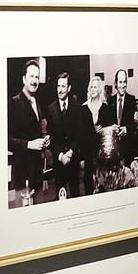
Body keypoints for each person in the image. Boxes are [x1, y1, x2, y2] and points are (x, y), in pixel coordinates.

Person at [7, 59, 49, 204]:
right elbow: (7, 141)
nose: (34, 80)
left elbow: (36, 132)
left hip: (36, 173)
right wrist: (29, 144)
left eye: (37, 77)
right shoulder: (14, 103)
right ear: (24, 78)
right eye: (31, 76)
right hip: (22, 173)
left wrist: (44, 139)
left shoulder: (37, 102)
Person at [46, 69, 91, 200]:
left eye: (63, 86)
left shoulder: (76, 106)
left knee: (76, 196)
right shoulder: (51, 109)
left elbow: (79, 133)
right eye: (58, 86)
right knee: (61, 197)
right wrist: (61, 156)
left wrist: (71, 151)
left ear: (69, 88)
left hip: (73, 160)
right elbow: (52, 138)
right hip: (59, 162)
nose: (60, 89)